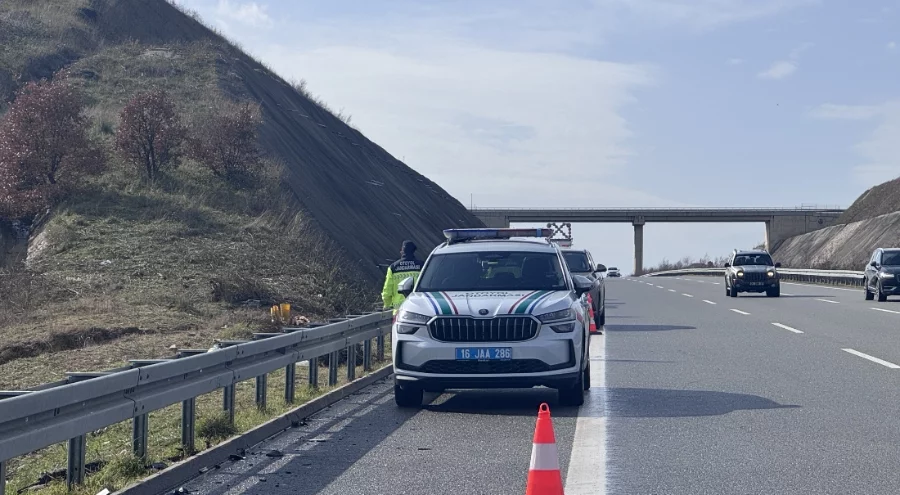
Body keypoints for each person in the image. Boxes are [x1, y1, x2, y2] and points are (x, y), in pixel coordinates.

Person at [382, 240, 423, 313]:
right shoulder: (422, 266)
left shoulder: (393, 268)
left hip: (398, 311)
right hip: (417, 309)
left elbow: (387, 291)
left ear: (402, 251)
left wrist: (387, 305)